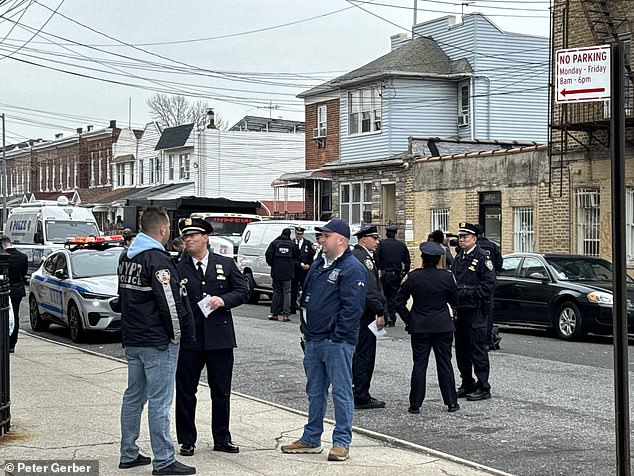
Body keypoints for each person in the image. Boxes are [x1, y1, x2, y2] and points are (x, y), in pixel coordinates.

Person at [117, 206, 196, 476]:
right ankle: (164, 460)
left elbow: (123, 299)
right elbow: (170, 305)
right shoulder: (158, 261)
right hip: (157, 341)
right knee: (160, 402)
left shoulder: (126, 257)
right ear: (163, 230)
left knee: (133, 397)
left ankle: (128, 452)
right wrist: (177, 336)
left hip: (133, 338)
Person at [280, 218, 367, 462]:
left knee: (341, 392)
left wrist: (337, 336)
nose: (320, 240)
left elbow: (352, 309)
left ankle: (341, 442)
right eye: (320, 236)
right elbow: (306, 296)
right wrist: (305, 330)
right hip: (313, 339)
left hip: (335, 342)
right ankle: (311, 438)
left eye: (325, 236)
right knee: (315, 391)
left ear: (340, 239)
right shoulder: (319, 264)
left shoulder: (352, 268)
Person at [175, 218, 249, 457]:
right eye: (185, 236)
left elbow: (243, 291)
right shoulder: (177, 267)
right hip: (190, 338)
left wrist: (223, 300)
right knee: (186, 391)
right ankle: (187, 440)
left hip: (220, 337)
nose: (188, 239)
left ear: (205, 238)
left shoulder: (225, 264)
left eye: (193, 235)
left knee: (221, 390)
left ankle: (222, 437)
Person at [394, 241, 459, 414]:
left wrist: (409, 319)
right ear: (439, 259)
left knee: (419, 364)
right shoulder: (447, 276)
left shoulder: (413, 276)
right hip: (443, 325)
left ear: (422, 258)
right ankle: (451, 402)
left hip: (420, 326)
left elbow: (398, 302)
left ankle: (415, 404)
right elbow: (455, 300)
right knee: (445, 363)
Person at [450, 222, 497, 402]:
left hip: (475, 309)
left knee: (477, 348)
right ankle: (467, 382)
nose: (461, 240)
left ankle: (483, 386)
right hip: (460, 310)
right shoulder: (459, 257)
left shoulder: (482, 257)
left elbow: (489, 285)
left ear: (474, 239)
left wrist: (469, 294)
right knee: (462, 349)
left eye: (465, 237)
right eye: (460, 237)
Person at [351, 225, 387, 410]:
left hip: (357, 314)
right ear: (364, 239)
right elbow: (370, 290)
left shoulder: (358, 256)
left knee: (357, 355)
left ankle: (356, 391)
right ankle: (362, 396)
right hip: (365, 315)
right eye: (374, 238)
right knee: (364, 355)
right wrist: (380, 312)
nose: (377, 241)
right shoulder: (363, 259)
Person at [473, 224, 503, 351]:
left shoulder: (472, 247)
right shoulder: (493, 246)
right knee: (488, 313)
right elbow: (499, 264)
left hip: (474, 284)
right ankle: (487, 341)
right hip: (488, 283)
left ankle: (475, 340)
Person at [376, 225, 410, 327]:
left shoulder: (381, 244)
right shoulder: (401, 245)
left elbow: (376, 256)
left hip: (384, 274)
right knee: (393, 296)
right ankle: (392, 317)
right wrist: (404, 272)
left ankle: (387, 317)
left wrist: (379, 268)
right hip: (396, 275)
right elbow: (407, 261)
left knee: (384, 297)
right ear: (395, 234)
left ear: (386, 233)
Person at [265, 228, 299, 322]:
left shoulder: (275, 243)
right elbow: (297, 257)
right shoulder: (292, 245)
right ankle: (286, 315)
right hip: (288, 273)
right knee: (287, 293)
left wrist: (274, 265)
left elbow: (268, 255)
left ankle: (274, 314)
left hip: (276, 272)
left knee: (276, 292)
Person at [2, 237, 28, 353]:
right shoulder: (23, 257)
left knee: (4, 316)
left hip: (4, 290)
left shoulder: (4, 257)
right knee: (15, 316)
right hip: (17, 290)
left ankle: (4, 340)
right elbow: (24, 273)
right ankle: (12, 343)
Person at [290, 226, 315, 314]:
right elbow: (291, 258)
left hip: (305, 271)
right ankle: (292, 306)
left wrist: (309, 265)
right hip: (295, 269)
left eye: (300, 234)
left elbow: (312, 256)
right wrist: (299, 264)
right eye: (297, 234)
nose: (298, 236)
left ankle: (303, 305)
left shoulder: (308, 244)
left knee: (305, 288)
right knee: (294, 288)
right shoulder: (291, 243)